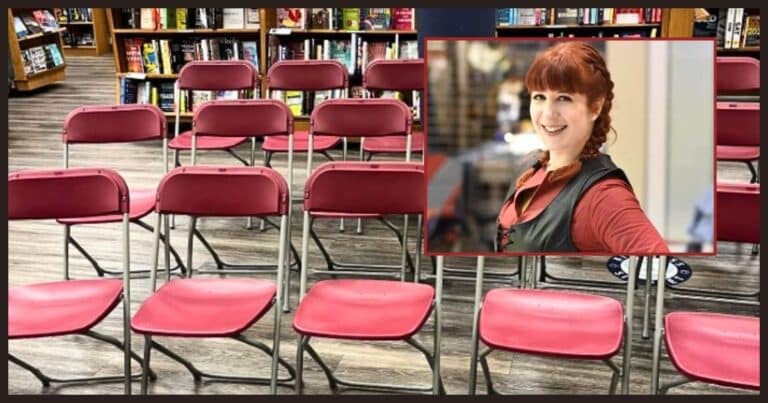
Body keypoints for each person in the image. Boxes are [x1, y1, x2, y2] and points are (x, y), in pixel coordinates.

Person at [495, 41, 669, 253]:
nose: (548, 113)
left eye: (564, 98)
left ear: (595, 107)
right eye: (539, 97)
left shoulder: (604, 195)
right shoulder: (530, 166)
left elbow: (660, 269)